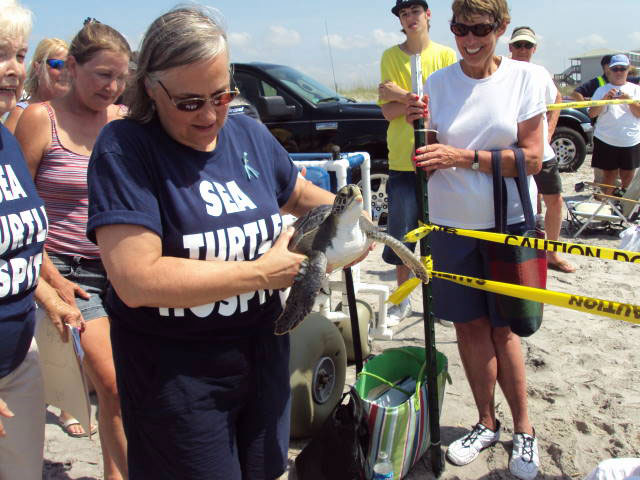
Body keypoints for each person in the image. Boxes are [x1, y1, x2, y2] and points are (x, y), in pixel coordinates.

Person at [85, 6, 356, 479]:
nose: (210, 115)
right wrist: (258, 274)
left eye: (222, 96)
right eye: (189, 103)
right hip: (177, 380)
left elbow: (299, 195)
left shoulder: (247, 134)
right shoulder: (125, 148)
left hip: (262, 358)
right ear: (150, 86)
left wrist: (352, 218)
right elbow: (136, 279)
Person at [406, 0, 545, 478]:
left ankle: (523, 430)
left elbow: (532, 159)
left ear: (501, 28)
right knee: (467, 327)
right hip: (449, 225)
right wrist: (416, 132)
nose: (469, 39)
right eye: (460, 29)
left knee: (505, 329)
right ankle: (486, 422)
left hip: (506, 227)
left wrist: (463, 157)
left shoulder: (525, 79)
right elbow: (425, 153)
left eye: (480, 29)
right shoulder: (435, 82)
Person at [14, 19, 130, 480]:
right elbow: (17, 209)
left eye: (121, 77)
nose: (113, 86)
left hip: (122, 268)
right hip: (67, 270)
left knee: (137, 386)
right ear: (74, 66)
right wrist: (47, 279)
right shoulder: (40, 118)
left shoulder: (121, 121)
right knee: (114, 386)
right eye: (103, 74)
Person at [0, 1, 83, 478]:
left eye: (19, 55)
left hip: (17, 358)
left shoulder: (7, 140)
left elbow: (15, 247)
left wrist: (47, 293)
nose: (11, 70)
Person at [378, 0, 457, 324]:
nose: (410, 18)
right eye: (404, 13)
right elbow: (388, 111)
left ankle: (442, 301)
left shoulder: (446, 55)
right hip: (401, 161)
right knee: (401, 235)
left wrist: (403, 96)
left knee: (442, 235)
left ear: (428, 15)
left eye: (415, 12)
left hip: (438, 159)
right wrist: (409, 101)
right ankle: (402, 299)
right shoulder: (390, 56)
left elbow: (445, 106)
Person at [509, 26, 575, 273]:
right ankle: (520, 254)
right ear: (510, 47)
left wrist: (548, 131)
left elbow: (556, 99)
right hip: (511, 151)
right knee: (519, 204)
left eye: (527, 45)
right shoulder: (502, 69)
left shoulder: (540, 72)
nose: (523, 50)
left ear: (534, 48)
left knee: (554, 200)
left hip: (541, 152)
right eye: (518, 45)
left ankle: (552, 253)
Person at [588, 54, 640, 196]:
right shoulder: (601, 90)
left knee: (628, 175)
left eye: (622, 69)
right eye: (615, 69)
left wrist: (629, 100)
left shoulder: (636, 90)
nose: (618, 72)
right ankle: (606, 207)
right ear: (609, 71)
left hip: (630, 140)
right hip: (606, 139)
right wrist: (605, 100)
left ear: (628, 70)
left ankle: (622, 209)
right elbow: (592, 114)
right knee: (608, 176)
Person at [3, 37, 70, 133]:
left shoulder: (70, 118)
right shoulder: (20, 114)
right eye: (58, 65)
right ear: (37, 68)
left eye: (69, 66)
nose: (65, 72)